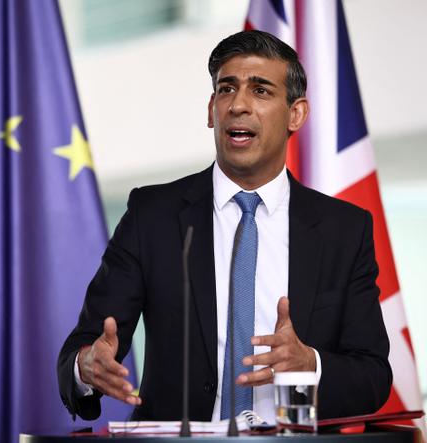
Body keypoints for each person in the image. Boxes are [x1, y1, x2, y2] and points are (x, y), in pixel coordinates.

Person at [57, 30, 391, 423]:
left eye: (261, 91)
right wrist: (86, 367)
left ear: (296, 113)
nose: (239, 105)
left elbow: (373, 376)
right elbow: (83, 347)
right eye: (227, 89)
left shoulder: (343, 229)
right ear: (212, 108)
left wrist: (309, 364)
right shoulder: (153, 215)